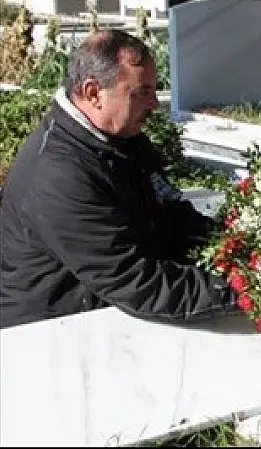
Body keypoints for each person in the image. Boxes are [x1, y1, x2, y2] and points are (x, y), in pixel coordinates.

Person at [0, 30, 240, 329]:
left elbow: (172, 216)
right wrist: (250, 291)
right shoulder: (59, 175)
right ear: (93, 93)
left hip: (105, 317)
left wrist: (242, 249)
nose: (154, 103)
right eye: (141, 92)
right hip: (55, 334)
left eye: (155, 90)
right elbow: (134, 281)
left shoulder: (121, 139)